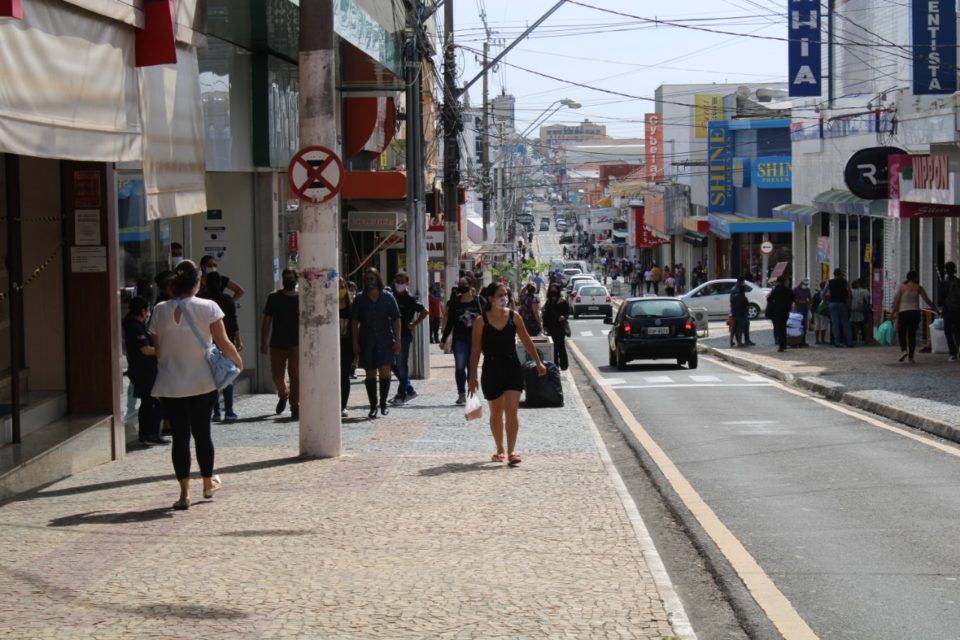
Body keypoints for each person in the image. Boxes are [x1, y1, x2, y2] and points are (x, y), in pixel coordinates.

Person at [150, 260, 242, 510]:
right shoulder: (209, 307)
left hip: (170, 383)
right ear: (197, 284)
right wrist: (238, 363)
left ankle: (183, 493)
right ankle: (207, 483)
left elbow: (158, 350)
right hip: (202, 382)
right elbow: (224, 343)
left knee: (180, 436)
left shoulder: (159, 310)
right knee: (203, 433)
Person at [468, 282, 547, 466]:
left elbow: (526, 340)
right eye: (500, 295)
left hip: (512, 366)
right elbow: (475, 351)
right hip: (491, 368)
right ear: (490, 298)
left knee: (512, 410)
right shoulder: (481, 321)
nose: (505, 298)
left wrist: (538, 362)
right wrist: (471, 377)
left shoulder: (514, 317)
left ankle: (512, 451)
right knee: (496, 413)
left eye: (506, 294)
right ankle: (499, 450)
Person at [351, 267, 401, 418]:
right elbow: (354, 321)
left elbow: (396, 318)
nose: (370, 282)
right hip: (367, 341)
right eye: (367, 279)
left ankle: (383, 403)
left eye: (372, 278)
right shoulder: (360, 298)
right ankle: (373, 406)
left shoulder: (388, 297)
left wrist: (398, 339)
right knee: (370, 373)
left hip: (385, 340)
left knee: (385, 371)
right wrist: (355, 342)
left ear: (378, 279)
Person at [123, 297, 168, 446]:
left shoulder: (135, 325)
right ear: (143, 311)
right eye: (148, 310)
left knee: (149, 403)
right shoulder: (135, 327)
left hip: (144, 371)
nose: (148, 313)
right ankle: (151, 434)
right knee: (154, 402)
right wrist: (164, 351)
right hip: (143, 372)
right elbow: (146, 350)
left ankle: (147, 434)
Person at [200, 271, 242, 421]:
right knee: (228, 374)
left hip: (207, 342)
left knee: (212, 376)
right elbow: (234, 321)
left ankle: (216, 411)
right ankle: (229, 410)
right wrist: (238, 340)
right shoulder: (227, 299)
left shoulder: (202, 300)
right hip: (227, 340)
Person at [261, 269, 300, 419]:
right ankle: (284, 394)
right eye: (286, 278)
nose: (289, 280)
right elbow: (267, 320)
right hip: (277, 342)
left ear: (296, 280)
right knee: (277, 376)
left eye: (291, 277)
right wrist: (263, 341)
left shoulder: (301, 297)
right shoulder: (274, 297)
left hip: (296, 343)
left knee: (295, 376)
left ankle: (295, 405)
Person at [440, 277, 482, 405]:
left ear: (470, 285)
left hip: (476, 339)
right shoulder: (454, 303)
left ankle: (471, 392)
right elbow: (450, 323)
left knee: (472, 367)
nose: (462, 286)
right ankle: (461, 394)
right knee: (459, 366)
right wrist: (443, 339)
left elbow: (486, 319)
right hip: (459, 339)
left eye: (464, 284)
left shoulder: (478, 301)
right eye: (460, 284)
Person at [390, 271, 429, 406]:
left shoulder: (410, 299)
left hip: (405, 335)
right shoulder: (391, 297)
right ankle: (410, 389)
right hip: (390, 334)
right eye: (397, 282)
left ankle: (402, 393)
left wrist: (414, 323)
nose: (399, 284)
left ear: (407, 283)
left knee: (401, 363)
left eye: (402, 282)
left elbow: (425, 311)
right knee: (391, 363)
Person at [891, 270, 935, 363]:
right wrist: (935, 308)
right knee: (912, 334)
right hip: (915, 312)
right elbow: (927, 300)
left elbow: (897, 301)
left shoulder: (902, 287)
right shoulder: (918, 287)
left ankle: (904, 351)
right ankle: (911, 357)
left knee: (902, 333)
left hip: (904, 312)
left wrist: (892, 313)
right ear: (915, 277)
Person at [541, 283, 570, 370]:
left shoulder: (562, 301)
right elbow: (545, 314)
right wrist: (544, 325)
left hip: (559, 327)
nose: (553, 292)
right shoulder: (548, 301)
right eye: (551, 290)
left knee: (560, 346)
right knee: (553, 347)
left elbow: (567, 312)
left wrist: (563, 317)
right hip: (550, 327)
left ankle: (564, 365)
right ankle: (555, 365)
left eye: (555, 290)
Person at [825, 268, 854, 348]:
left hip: (833, 303)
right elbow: (850, 293)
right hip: (842, 303)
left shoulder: (829, 282)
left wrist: (826, 302)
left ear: (834, 274)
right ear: (840, 274)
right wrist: (849, 304)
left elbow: (824, 293)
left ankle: (837, 343)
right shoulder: (845, 282)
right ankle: (849, 342)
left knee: (835, 324)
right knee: (846, 323)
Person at [339, 278, 355, 417]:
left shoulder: (351, 305)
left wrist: (356, 345)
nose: (339, 289)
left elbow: (356, 326)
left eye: (341, 286)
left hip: (346, 344)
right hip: (331, 345)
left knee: (344, 375)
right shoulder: (327, 303)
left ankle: (343, 405)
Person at [766, 278, 795, 352]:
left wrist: (775, 303)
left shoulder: (776, 290)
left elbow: (769, 299)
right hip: (786, 311)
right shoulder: (788, 290)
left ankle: (781, 345)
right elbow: (793, 298)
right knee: (784, 327)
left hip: (778, 311)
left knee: (779, 328)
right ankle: (784, 344)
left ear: (778, 282)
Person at [940, 261, 960, 361]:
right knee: (957, 331)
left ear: (946, 271)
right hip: (958, 311)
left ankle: (953, 354)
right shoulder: (959, 282)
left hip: (948, 311)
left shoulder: (944, 283)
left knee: (948, 332)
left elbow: (941, 299)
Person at [849, 278, 872, 345]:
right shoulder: (862, 291)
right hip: (860, 310)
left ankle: (854, 338)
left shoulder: (851, 291)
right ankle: (864, 339)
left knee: (853, 324)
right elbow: (867, 299)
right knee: (862, 324)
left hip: (852, 310)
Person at [792, 279, 812, 347]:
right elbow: (792, 299)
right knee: (798, 325)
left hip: (805, 309)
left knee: (804, 326)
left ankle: (803, 341)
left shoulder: (807, 290)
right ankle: (797, 341)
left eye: (807, 285)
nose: (805, 286)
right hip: (798, 310)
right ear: (801, 283)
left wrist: (809, 302)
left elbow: (810, 298)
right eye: (804, 284)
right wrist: (799, 301)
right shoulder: (795, 290)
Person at [728, 283, 749, 347]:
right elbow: (746, 308)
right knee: (740, 328)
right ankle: (739, 342)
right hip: (741, 315)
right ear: (744, 291)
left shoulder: (734, 297)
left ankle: (731, 341)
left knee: (733, 328)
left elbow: (731, 305)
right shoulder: (744, 298)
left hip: (734, 314)